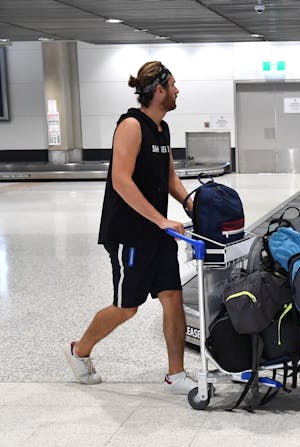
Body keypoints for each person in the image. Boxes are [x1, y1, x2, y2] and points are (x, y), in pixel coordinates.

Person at [64, 61, 197, 394]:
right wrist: (160, 219)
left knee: (172, 297)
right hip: (129, 234)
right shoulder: (131, 126)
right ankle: (79, 350)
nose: (179, 91)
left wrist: (191, 202)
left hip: (158, 232)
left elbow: (169, 177)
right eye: (174, 85)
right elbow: (120, 181)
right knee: (127, 307)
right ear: (159, 90)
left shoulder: (162, 129)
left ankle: (176, 374)